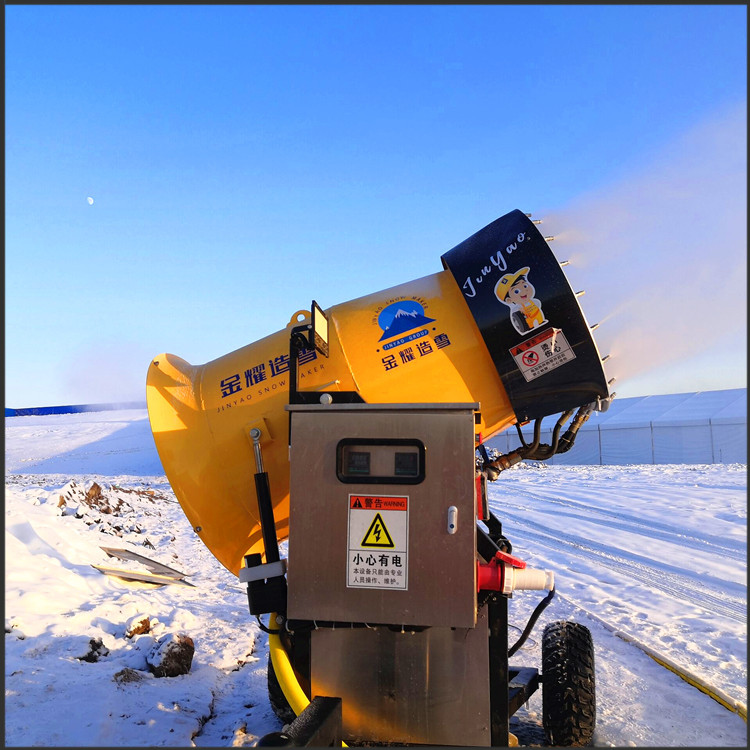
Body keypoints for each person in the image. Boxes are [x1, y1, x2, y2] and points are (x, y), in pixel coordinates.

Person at [494, 267, 546, 334]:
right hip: (529, 324)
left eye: (525, 286)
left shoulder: (533, 301)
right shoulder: (518, 308)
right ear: (509, 300)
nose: (524, 291)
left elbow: (537, 304)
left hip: (541, 320)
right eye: (516, 291)